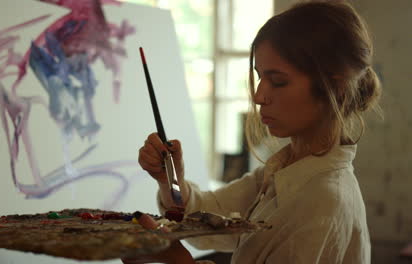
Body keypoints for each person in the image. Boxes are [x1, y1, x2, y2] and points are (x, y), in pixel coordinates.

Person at [125, 1, 382, 263]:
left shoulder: (322, 199)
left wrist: (177, 259)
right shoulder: (283, 171)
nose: (259, 96)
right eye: (260, 77)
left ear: (335, 88)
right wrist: (172, 180)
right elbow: (205, 220)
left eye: (278, 81)